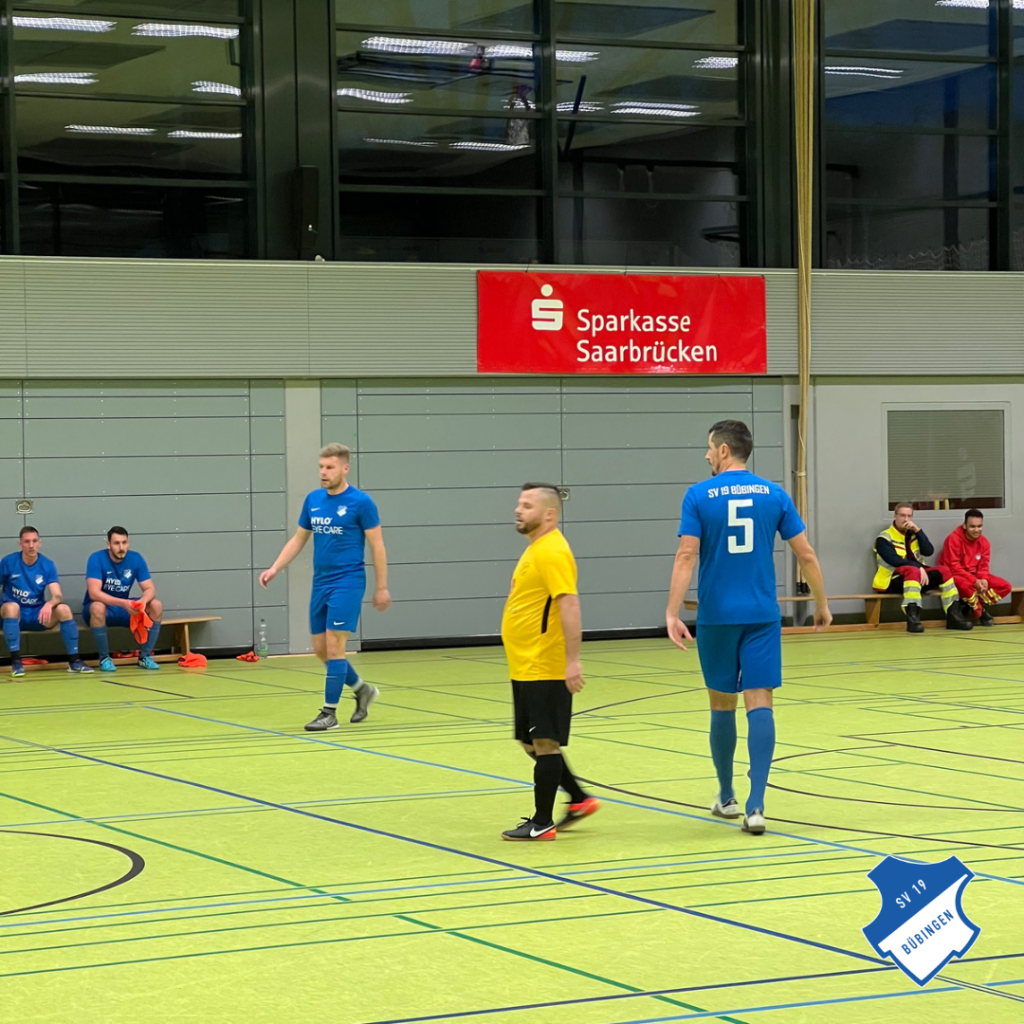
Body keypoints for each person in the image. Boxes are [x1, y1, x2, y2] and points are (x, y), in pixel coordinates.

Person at [665, 420, 830, 837]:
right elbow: (806, 554)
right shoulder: (774, 494)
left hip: (717, 616)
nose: (706, 455)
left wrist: (671, 612)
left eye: (709, 448)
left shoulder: (698, 495)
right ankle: (756, 807)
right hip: (761, 615)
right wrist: (822, 603)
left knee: (722, 704)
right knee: (761, 702)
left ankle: (726, 796)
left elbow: (686, 555)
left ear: (724, 451)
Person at [259, 443, 390, 728]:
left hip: (348, 581)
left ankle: (329, 713)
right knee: (320, 649)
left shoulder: (361, 502)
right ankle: (362, 690)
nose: (324, 472)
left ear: (345, 468)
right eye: (321, 467)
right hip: (321, 583)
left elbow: (377, 545)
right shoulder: (314, 499)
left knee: (334, 647)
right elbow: (299, 539)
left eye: (330, 467)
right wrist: (275, 567)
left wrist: (381, 587)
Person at [499, 483, 598, 841]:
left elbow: (569, 604)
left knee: (545, 743)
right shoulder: (536, 548)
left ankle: (542, 824)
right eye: (519, 504)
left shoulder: (553, 551)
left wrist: (572, 661)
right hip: (525, 665)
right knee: (531, 743)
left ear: (549, 514)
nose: (518, 510)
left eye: (527, 505)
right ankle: (579, 798)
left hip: (545, 664)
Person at [1, 526, 92, 676]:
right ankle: (16, 662)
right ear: (20, 544)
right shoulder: (8, 562)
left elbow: (58, 595)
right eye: (27, 541)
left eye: (34, 541)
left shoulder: (47, 564)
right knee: (11, 607)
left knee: (64, 609)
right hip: (14, 615)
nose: (31, 545)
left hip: (37, 615)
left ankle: (74, 661)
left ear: (40, 543)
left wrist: (49, 604)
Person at [872, 503, 970, 633]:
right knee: (912, 570)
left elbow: (928, 551)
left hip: (917, 578)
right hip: (892, 580)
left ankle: (954, 617)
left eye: (909, 516)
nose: (906, 519)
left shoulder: (913, 535)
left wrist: (918, 531)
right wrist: (918, 568)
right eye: (902, 515)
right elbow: (894, 560)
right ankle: (913, 620)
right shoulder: (884, 538)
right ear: (895, 516)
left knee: (944, 570)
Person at [83, 526, 164, 671]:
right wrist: (122, 603)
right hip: (101, 609)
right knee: (97, 607)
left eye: (124, 543)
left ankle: (145, 657)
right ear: (108, 544)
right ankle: (105, 658)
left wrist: (143, 602)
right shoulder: (96, 558)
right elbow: (94, 593)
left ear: (128, 543)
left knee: (156, 605)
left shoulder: (136, 558)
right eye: (116, 543)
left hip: (124, 608)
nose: (121, 547)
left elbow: (150, 589)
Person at [940, 510, 1012, 627]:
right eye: (972, 526)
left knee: (1005, 586)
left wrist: (984, 579)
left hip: (975, 576)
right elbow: (953, 567)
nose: (976, 530)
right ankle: (979, 612)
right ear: (964, 525)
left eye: (979, 526)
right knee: (966, 586)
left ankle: (971, 604)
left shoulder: (984, 542)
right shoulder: (953, 539)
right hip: (955, 575)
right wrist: (974, 581)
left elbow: (984, 566)